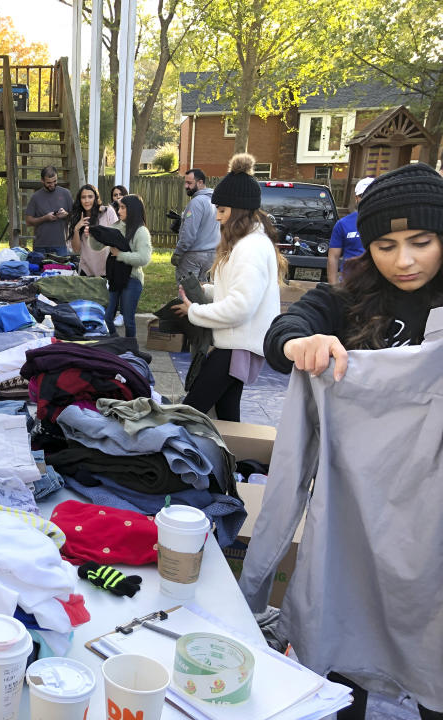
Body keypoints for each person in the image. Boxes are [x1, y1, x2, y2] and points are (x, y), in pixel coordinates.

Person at [262, 163, 443, 720]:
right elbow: (283, 332)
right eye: (385, 245)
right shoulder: (349, 301)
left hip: (433, 522)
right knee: (346, 647)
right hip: (357, 514)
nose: (404, 260)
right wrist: (302, 343)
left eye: (422, 241)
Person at [173, 154, 285, 421]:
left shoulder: (250, 248)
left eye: (222, 211)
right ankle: (236, 462)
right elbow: (239, 294)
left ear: (238, 211)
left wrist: (195, 311)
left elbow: (241, 307)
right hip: (237, 345)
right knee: (226, 417)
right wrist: (207, 290)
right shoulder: (249, 243)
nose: (217, 217)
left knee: (190, 414)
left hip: (234, 347)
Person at [93, 194, 151, 338]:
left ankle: (131, 349)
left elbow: (144, 259)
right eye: (119, 207)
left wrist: (120, 255)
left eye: (123, 208)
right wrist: (92, 235)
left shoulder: (141, 231)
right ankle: (117, 342)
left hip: (132, 279)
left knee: (128, 320)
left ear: (132, 209)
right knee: (107, 317)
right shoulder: (116, 226)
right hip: (114, 277)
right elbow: (97, 246)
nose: (119, 211)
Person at [173, 168, 220, 282]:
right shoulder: (214, 201)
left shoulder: (196, 202)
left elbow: (189, 234)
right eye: (185, 182)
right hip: (212, 256)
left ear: (200, 182)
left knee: (187, 293)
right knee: (205, 294)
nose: (186, 186)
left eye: (189, 183)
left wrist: (178, 253)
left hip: (193, 257)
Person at [326, 176, 374, 284]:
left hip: (377, 286)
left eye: (371, 194)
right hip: (350, 284)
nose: (366, 198)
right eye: (362, 195)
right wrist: (333, 286)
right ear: (356, 198)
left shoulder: (386, 222)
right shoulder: (343, 224)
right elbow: (333, 257)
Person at [69, 183, 117, 276]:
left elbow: (116, 237)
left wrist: (96, 232)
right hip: (86, 270)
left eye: (90, 197)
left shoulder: (107, 212)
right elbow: (76, 250)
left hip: (106, 269)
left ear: (96, 198)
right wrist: (76, 229)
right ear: (80, 200)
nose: (87, 200)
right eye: (83, 197)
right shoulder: (76, 217)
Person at [25, 166, 73, 255]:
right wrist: (45, 218)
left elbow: (75, 217)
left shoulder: (66, 193)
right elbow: (28, 222)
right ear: (42, 181)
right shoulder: (36, 197)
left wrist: (65, 214)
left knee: (62, 269)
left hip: (61, 245)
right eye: (49, 183)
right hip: (40, 246)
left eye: (55, 181)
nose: (53, 185)